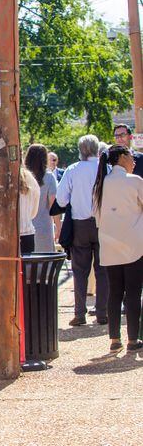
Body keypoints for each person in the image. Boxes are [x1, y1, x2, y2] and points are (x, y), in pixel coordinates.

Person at [92, 145, 143, 352]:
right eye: (131, 156)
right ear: (122, 157)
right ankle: (133, 339)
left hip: (109, 245)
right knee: (133, 292)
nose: (134, 160)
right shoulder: (135, 181)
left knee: (114, 292)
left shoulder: (100, 185)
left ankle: (114, 338)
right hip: (134, 244)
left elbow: (96, 217)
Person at [57, 135, 109, 326]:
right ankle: (102, 312)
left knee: (79, 270)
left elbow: (61, 200)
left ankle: (79, 313)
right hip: (103, 223)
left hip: (79, 224)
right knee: (103, 270)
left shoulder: (72, 170)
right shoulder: (105, 168)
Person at [25, 144, 61, 252]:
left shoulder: (22, 177)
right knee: (45, 265)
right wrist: (58, 227)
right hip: (44, 227)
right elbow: (53, 205)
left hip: (24, 227)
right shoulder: (49, 177)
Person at [19, 167, 40, 254]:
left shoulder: (1, 178)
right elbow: (34, 213)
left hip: (6, 235)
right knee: (26, 267)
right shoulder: (31, 179)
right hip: (27, 232)